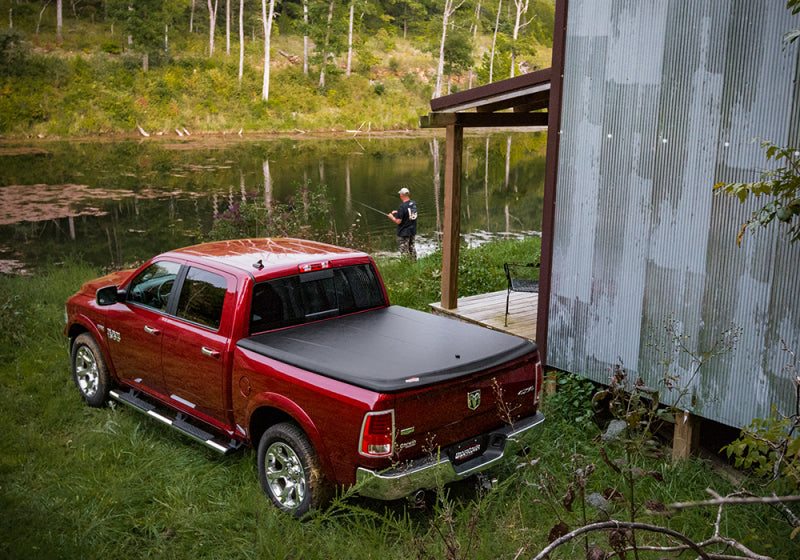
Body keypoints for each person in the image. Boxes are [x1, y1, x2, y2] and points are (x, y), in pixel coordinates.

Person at [388, 187, 418, 261]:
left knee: (404, 251)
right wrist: (398, 212)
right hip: (412, 231)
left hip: (404, 232)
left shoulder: (402, 207)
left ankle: (406, 264)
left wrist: (391, 217)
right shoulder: (413, 204)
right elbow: (409, 214)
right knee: (412, 248)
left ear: (401, 195)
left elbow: (398, 221)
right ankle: (414, 263)